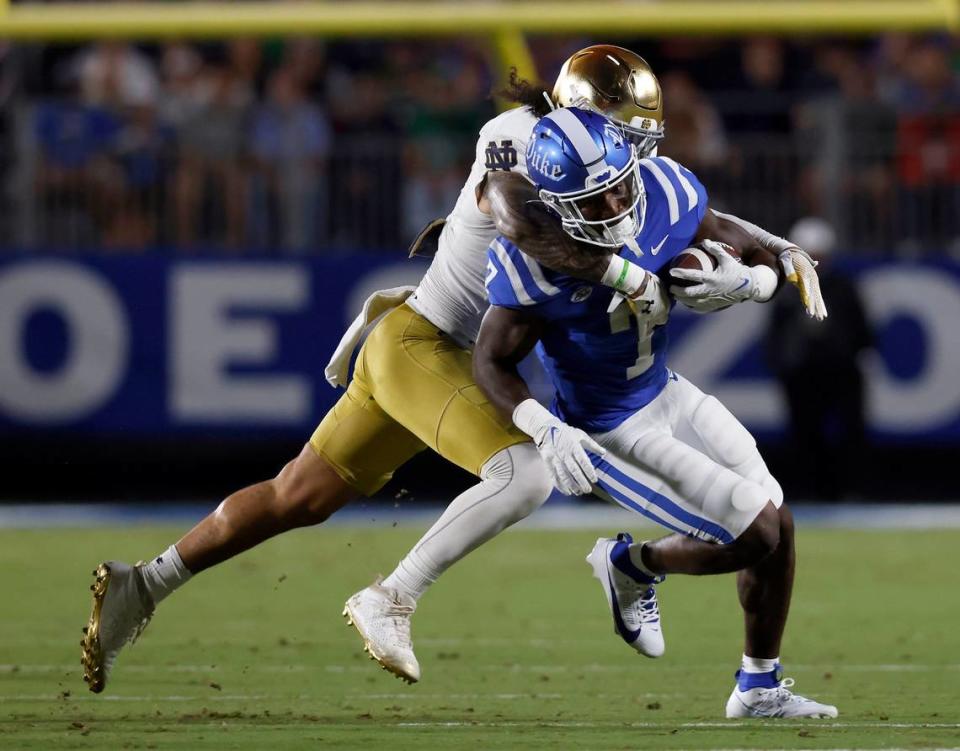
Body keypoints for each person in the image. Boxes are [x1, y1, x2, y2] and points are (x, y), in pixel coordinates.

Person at [81, 45, 824, 694]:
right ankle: (391, 597)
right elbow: (512, 211)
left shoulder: (603, 173)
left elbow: (697, 212)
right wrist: (635, 279)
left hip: (420, 349)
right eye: (627, 134)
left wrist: (776, 257)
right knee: (527, 471)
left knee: (295, 496)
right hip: (429, 344)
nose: (639, 155)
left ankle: (145, 583)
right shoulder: (518, 147)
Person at [473, 107, 837, 719]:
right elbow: (490, 362)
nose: (617, 202)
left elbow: (742, 243)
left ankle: (759, 687)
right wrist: (542, 426)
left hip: (666, 390)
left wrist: (749, 281)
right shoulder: (536, 260)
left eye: (621, 183)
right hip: (609, 431)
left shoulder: (664, 190)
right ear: (559, 205)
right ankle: (629, 563)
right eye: (596, 198)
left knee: (780, 525)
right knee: (756, 531)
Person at [765, 217, 873, 500]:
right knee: (804, 432)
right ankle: (811, 490)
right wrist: (781, 363)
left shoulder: (842, 287)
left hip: (840, 368)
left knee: (850, 432)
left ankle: (851, 489)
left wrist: (856, 354)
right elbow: (776, 333)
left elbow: (860, 328)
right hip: (800, 371)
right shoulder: (786, 290)